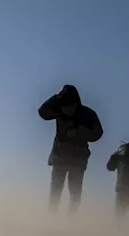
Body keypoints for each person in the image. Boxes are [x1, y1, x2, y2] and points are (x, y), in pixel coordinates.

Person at [38, 84, 104, 213]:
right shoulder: (59, 111)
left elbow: (98, 134)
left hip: (78, 159)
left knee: (75, 191)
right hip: (60, 156)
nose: (65, 110)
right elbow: (42, 112)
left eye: (68, 106)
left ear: (75, 104)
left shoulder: (88, 114)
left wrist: (80, 132)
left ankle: (72, 221)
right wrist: (56, 98)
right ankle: (51, 219)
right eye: (63, 106)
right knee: (55, 190)